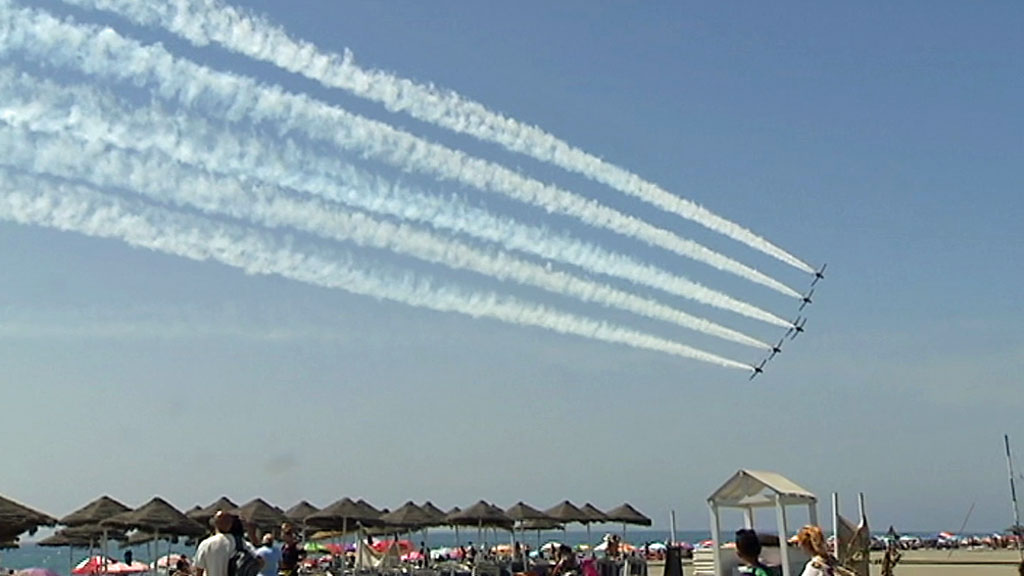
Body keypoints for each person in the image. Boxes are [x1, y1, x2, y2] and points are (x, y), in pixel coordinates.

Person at [195, 511, 242, 576]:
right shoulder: (241, 543)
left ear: (215, 524)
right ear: (231, 524)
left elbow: (199, 571)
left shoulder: (206, 544)